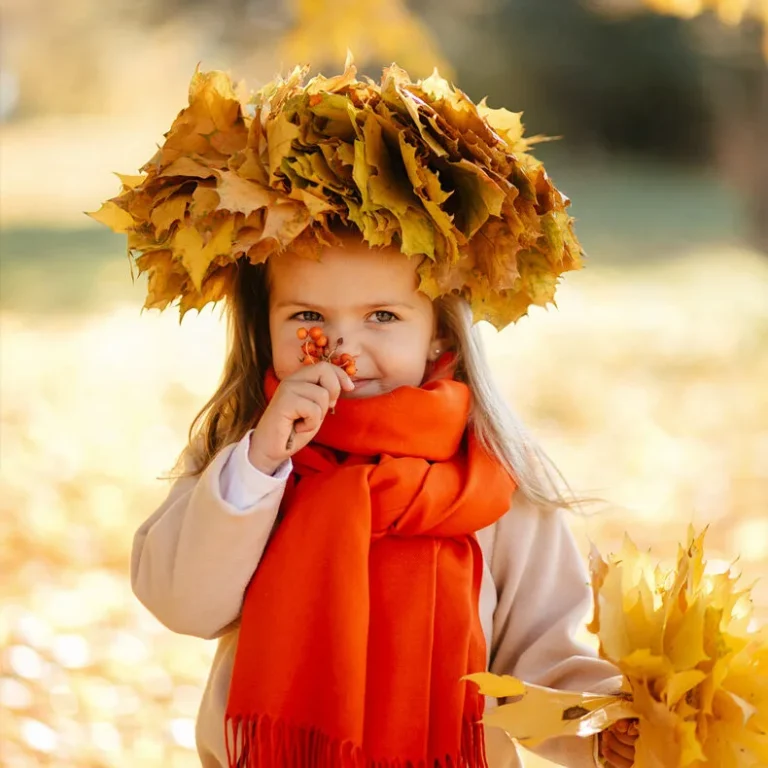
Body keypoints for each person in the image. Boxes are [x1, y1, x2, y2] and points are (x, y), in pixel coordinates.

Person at [95, 59, 638, 767]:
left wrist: (599, 729)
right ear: (267, 326)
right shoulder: (248, 457)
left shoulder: (494, 477)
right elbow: (183, 604)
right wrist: (259, 467)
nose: (344, 348)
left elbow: (542, 656)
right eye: (309, 317)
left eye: (383, 315)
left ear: (440, 331)